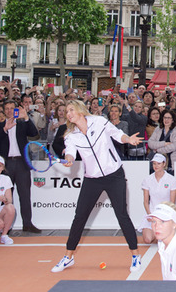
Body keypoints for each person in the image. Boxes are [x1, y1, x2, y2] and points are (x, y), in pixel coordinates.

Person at [51, 100, 143, 273]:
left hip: (114, 174)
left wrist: (128, 139)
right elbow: (70, 152)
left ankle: (135, 256)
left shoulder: (99, 121)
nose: (68, 113)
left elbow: (117, 134)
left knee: (122, 214)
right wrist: (69, 159)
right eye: (67, 111)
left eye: (71, 109)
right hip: (92, 178)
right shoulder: (70, 135)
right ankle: (68, 257)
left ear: (79, 110)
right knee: (79, 217)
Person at [0, 100, 41, 233]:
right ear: (3, 110)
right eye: (6, 108)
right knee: (6, 197)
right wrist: (4, 130)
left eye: (11, 108)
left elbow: (34, 133)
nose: (9, 111)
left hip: (21, 163)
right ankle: (4, 226)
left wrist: (26, 117)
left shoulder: (22, 124)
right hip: (5, 165)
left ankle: (27, 224)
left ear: (16, 110)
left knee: (25, 195)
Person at [138, 154, 176, 244]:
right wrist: (150, 215)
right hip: (152, 215)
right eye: (154, 164)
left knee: (164, 240)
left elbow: (172, 203)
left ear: (164, 164)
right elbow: (145, 201)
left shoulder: (172, 180)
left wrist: (165, 218)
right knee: (147, 240)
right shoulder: (147, 179)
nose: (155, 166)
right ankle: (156, 233)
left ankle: (162, 233)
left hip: (165, 216)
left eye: (158, 164)